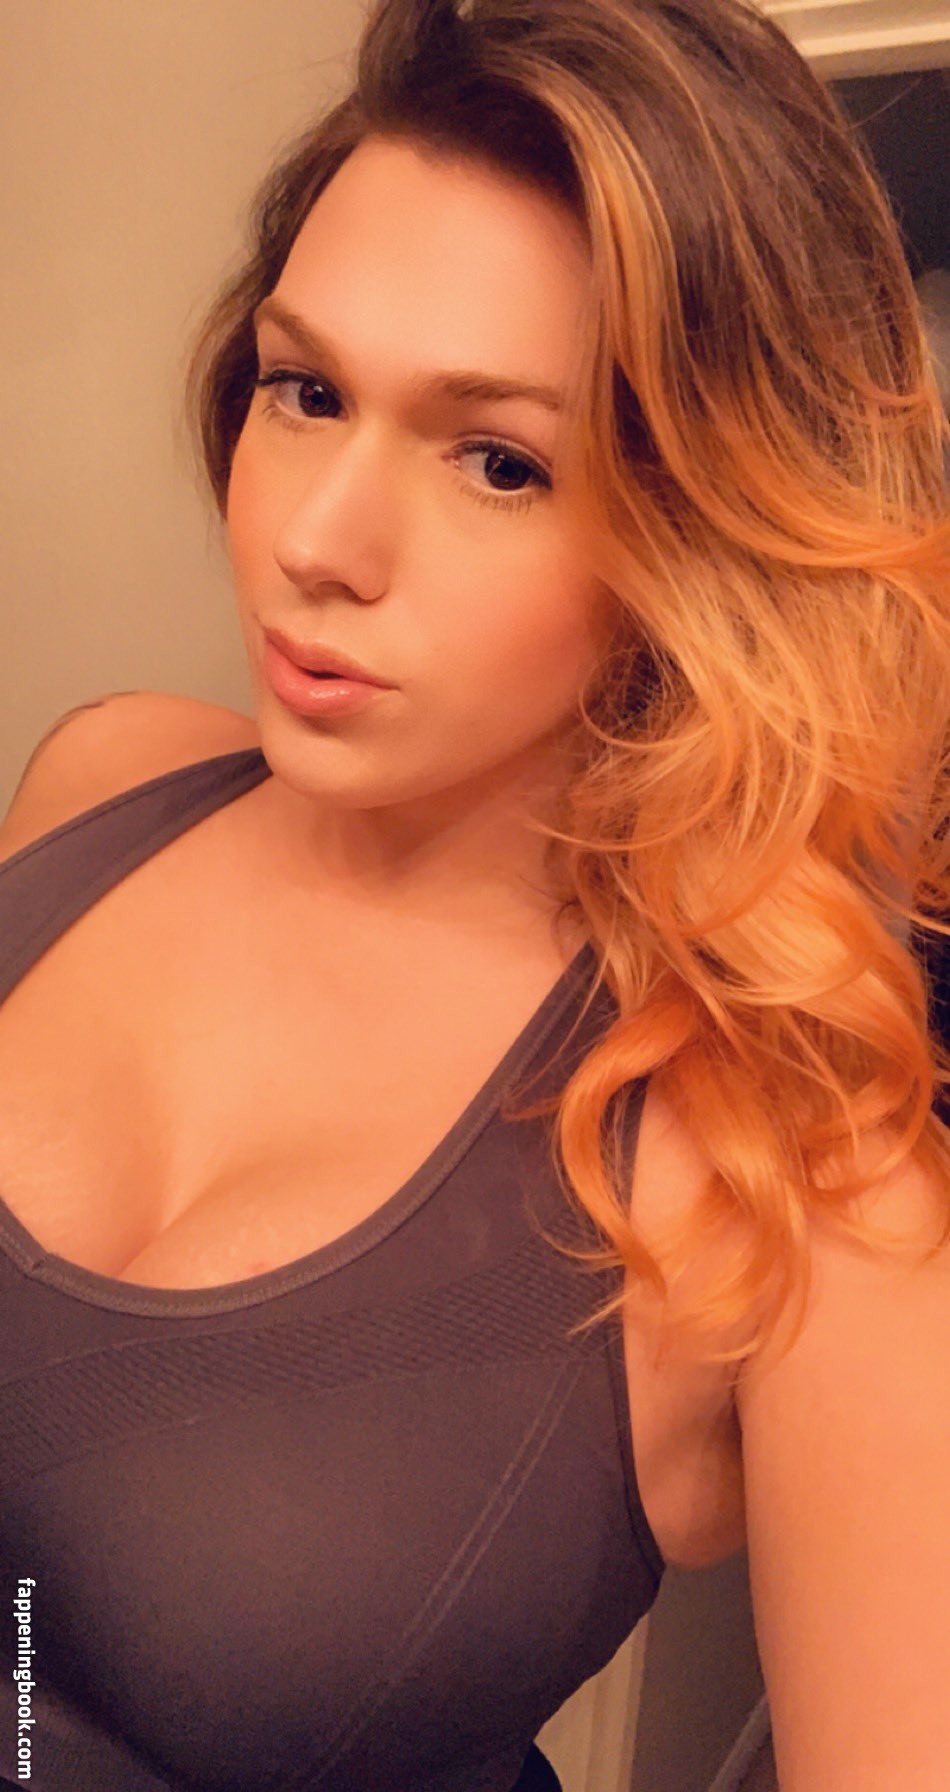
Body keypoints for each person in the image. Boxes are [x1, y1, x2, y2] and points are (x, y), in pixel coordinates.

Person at [0, 1, 947, 1788]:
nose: (315, 543)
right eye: (305, 391)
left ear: (705, 535)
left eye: (499, 460)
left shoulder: (785, 1194)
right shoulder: (102, 783)